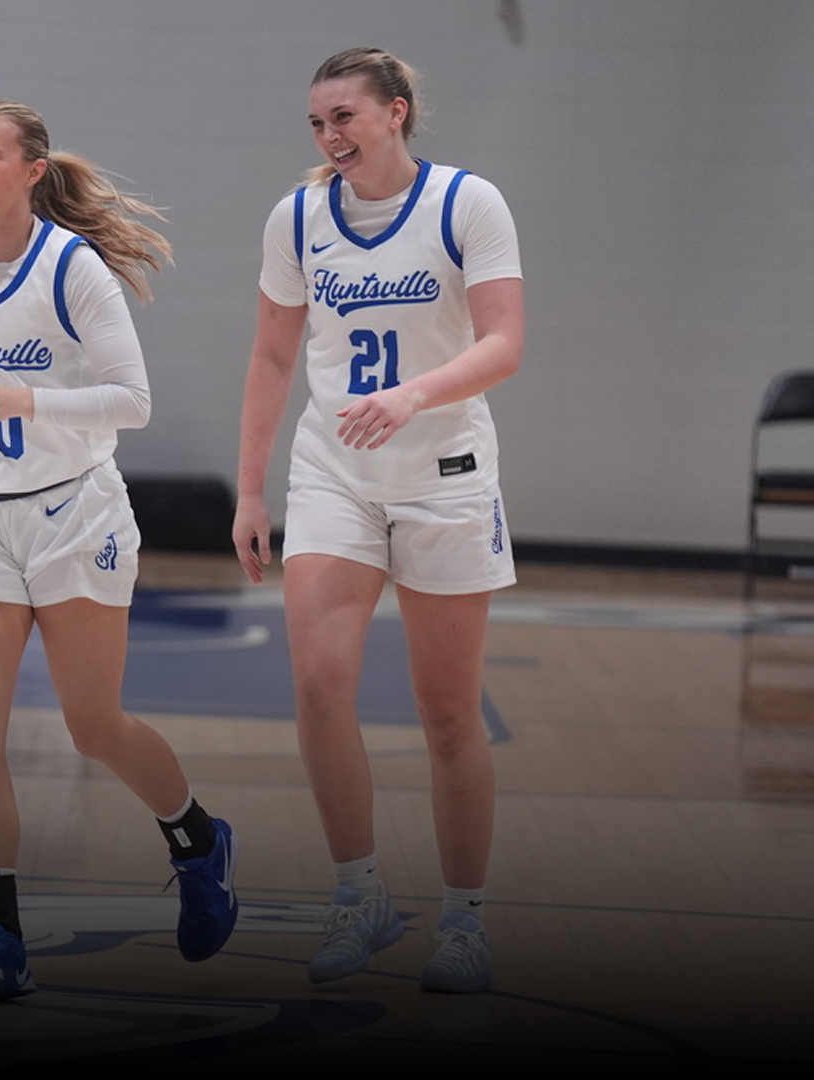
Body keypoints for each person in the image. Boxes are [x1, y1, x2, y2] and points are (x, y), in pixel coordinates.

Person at [0, 99, 237, 1000]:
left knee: (93, 727)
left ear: (32, 170)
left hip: (74, 515)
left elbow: (133, 400)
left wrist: (25, 400)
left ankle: (196, 836)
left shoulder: (72, 268)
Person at [231, 47, 524, 993]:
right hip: (335, 474)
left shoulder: (467, 204)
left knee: (447, 714)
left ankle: (465, 920)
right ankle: (360, 895)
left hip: (444, 473)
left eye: (345, 117)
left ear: (395, 113)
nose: (329, 137)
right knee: (319, 686)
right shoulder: (299, 217)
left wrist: (413, 395)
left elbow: (505, 345)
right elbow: (274, 358)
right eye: (317, 123)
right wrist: (250, 489)